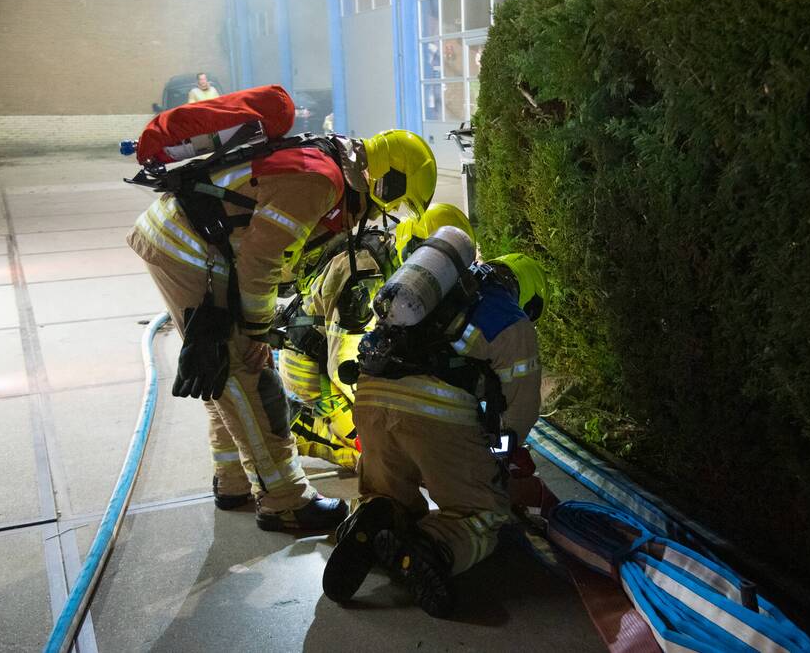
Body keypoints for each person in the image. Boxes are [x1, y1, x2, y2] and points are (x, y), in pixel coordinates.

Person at [126, 128, 437, 532]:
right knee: (243, 372)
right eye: (384, 205)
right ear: (385, 180)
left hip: (192, 245)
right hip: (186, 250)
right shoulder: (318, 182)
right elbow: (262, 260)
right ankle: (285, 501)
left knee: (225, 370)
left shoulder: (326, 163)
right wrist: (257, 332)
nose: (374, 218)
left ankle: (233, 480)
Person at [322, 253, 548, 616]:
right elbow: (519, 413)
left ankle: (374, 517)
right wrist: (498, 457)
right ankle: (431, 547)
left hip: (370, 400)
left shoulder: (426, 296)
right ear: (528, 295)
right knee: (480, 514)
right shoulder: (511, 319)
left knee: (386, 492)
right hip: (435, 414)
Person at [282, 204, 477, 471]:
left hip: (342, 360)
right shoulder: (365, 275)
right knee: (387, 459)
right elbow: (342, 369)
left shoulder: (399, 265)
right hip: (316, 373)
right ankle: (301, 427)